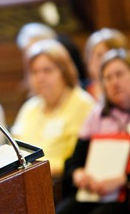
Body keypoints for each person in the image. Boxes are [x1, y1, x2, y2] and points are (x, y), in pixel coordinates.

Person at [56, 48, 130, 214]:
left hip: (124, 195)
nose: (114, 82)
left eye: (119, 74)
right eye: (107, 78)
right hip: (92, 192)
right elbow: (74, 161)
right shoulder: (97, 115)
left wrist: (121, 180)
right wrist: (78, 174)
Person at [11, 39, 95, 178]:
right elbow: (14, 149)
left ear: (64, 71)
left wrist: (36, 169)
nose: (40, 77)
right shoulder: (30, 107)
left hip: (61, 183)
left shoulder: (82, 104)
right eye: (34, 72)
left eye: (47, 70)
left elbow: (79, 159)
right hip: (24, 177)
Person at [83, 28, 128, 101]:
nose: (105, 61)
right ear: (89, 60)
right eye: (99, 55)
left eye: (110, 54)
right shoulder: (81, 95)